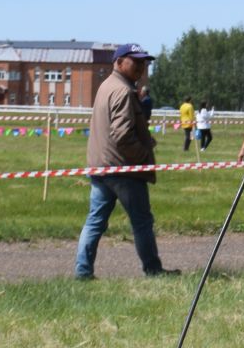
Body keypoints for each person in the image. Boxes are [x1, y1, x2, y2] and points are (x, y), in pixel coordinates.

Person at [74, 45, 174, 278]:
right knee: (141, 222)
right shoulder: (124, 91)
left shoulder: (106, 86)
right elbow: (122, 135)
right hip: (124, 169)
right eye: (135, 61)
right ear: (119, 62)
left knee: (95, 221)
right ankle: (153, 270)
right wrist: (143, 154)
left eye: (144, 62)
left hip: (101, 166)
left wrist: (145, 139)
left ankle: (82, 271)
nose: (141, 66)